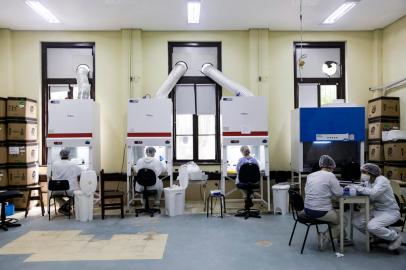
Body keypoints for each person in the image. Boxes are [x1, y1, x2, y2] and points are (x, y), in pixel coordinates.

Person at [353, 163, 403, 251]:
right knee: (356, 222)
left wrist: (357, 188)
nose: (363, 174)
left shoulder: (382, 180)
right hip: (377, 210)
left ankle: (395, 237)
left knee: (372, 226)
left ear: (371, 173)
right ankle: (377, 236)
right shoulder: (369, 182)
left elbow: (373, 193)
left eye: (364, 172)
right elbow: (369, 194)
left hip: (390, 212)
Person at [304, 155, 348, 249]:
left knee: (336, 218)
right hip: (321, 211)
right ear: (332, 167)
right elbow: (339, 193)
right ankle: (325, 237)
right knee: (343, 220)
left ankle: (342, 239)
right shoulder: (330, 175)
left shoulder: (311, 175)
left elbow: (309, 191)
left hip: (307, 209)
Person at [51, 149, 82, 216]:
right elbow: (81, 172)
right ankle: (65, 206)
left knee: (55, 196)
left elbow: (52, 174)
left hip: (56, 189)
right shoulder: (72, 164)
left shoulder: (55, 164)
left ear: (60, 155)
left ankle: (63, 207)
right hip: (69, 189)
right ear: (68, 155)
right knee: (77, 196)